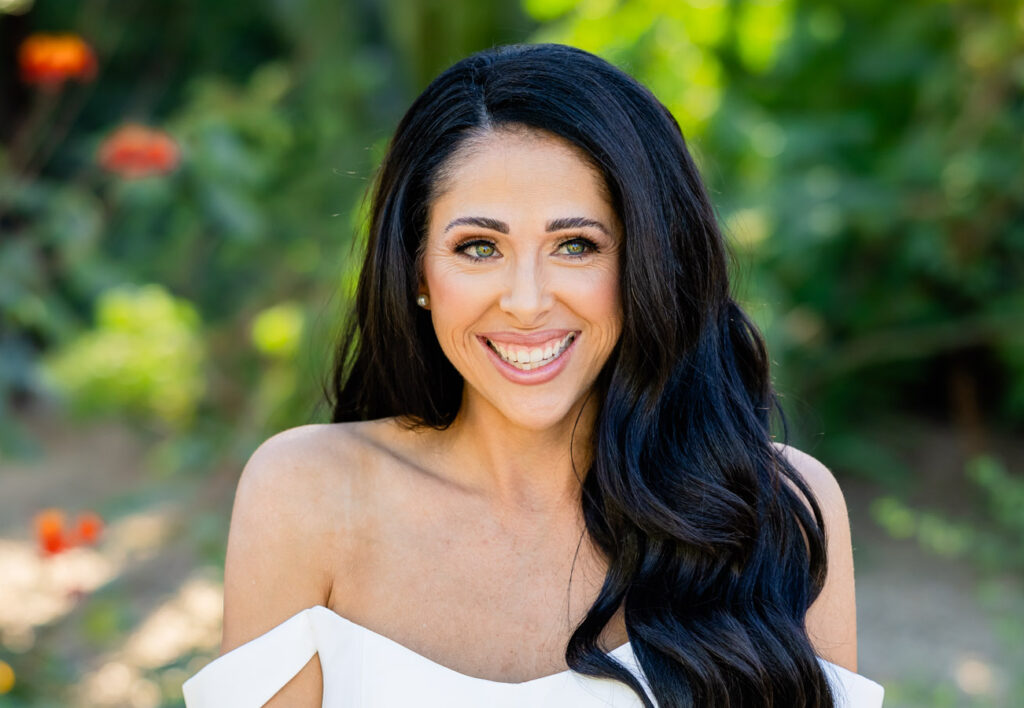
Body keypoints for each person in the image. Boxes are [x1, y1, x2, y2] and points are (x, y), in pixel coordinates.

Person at [182, 43, 884, 707]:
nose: (524, 301)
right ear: (417, 271)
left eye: (575, 245)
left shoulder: (774, 511)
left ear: (648, 264)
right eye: (479, 247)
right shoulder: (308, 494)